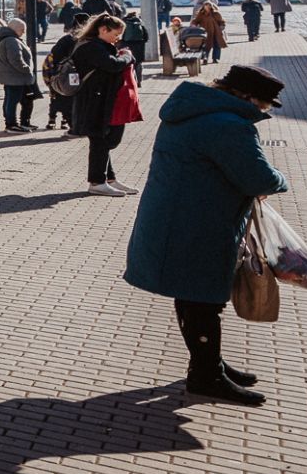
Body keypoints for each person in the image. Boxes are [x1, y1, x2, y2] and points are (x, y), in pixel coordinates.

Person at [124, 66, 290, 406]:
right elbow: (257, 177)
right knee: (204, 300)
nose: (263, 111)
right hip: (200, 223)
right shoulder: (227, 125)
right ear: (246, 97)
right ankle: (206, 375)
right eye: (263, 104)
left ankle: (209, 362)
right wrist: (280, 180)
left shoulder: (193, 110)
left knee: (192, 295)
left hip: (177, 216)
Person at [70, 14, 136, 196]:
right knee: (101, 140)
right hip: (93, 101)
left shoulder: (99, 45)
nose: (118, 38)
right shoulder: (91, 47)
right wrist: (127, 57)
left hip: (101, 100)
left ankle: (108, 179)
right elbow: (112, 65)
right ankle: (97, 182)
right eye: (116, 34)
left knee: (103, 140)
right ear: (103, 30)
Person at [0, 17, 39, 133]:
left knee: (13, 100)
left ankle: (17, 123)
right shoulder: (11, 41)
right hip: (15, 77)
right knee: (12, 101)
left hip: (13, 77)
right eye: (22, 29)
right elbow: (16, 60)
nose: (24, 32)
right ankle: (11, 124)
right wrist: (27, 69)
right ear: (15, 28)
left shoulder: (9, 39)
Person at [42, 18, 82, 132]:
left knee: (58, 98)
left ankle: (55, 120)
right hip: (69, 75)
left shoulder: (66, 40)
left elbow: (53, 56)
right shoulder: (76, 41)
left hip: (60, 75)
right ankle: (69, 123)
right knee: (69, 100)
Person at [191, 0, 227, 65]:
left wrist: (221, 27)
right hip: (205, 32)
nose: (207, 6)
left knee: (217, 45)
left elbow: (221, 22)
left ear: (211, 6)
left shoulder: (216, 13)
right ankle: (205, 58)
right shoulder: (201, 14)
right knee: (206, 46)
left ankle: (215, 58)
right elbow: (196, 21)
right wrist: (194, 24)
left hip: (216, 32)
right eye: (206, 5)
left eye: (209, 5)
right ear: (203, 6)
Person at [122, 9, 149, 85]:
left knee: (129, 65)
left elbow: (121, 36)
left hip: (127, 46)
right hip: (139, 46)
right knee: (138, 64)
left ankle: (130, 82)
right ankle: (139, 81)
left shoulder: (124, 23)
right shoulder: (140, 23)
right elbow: (146, 37)